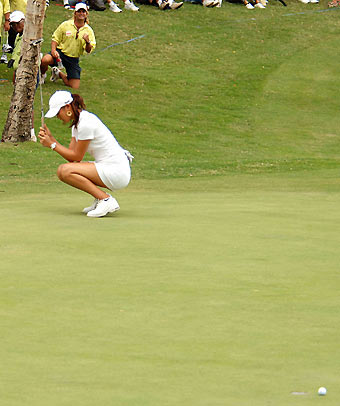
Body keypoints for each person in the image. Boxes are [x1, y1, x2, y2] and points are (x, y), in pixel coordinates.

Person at [38, 90, 133, 218]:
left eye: (57, 112)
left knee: (64, 171)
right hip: (109, 167)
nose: (57, 116)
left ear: (67, 107)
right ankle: (101, 198)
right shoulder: (77, 125)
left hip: (117, 171)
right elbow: (72, 159)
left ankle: (105, 200)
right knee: (64, 170)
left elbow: (77, 156)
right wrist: (51, 139)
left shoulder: (86, 123)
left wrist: (52, 145)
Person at [40, 2, 96, 89]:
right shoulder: (66, 25)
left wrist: (88, 42)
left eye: (83, 12)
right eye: (79, 11)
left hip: (73, 58)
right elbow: (55, 38)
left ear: (86, 14)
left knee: (74, 86)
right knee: (45, 60)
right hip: (61, 53)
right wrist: (53, 50)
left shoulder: (88, 30)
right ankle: (42, 75)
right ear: (75, 13)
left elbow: (88, 50)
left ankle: (59, 74)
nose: (81, 13)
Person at [8, 10, 36, 141]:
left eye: (17, 24)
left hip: (28, 74)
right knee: (18, 102)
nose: (14, 27)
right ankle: (17, 130)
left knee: (28, 103)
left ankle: (32, 132)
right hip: (18, 74)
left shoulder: (30, 35)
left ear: (23, 22)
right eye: (13, 25)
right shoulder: (19, 35)